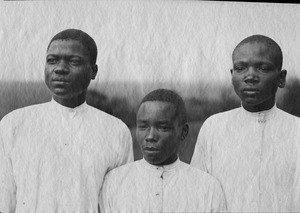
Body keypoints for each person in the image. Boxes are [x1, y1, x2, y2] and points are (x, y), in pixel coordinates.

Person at [0, 29, 133, 212]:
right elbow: (4, 199)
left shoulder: (116, 131)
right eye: (52, 60)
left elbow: (120, 205)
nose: (60, 68)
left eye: (74, 61)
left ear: (93, 71)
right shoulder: (13, 124)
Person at [191, 34, 300, 212]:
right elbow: (199, 196)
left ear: (281, 78)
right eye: (240, 68)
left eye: (263, 68)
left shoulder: (297, 130)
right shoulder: (214, 128)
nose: (250, 76)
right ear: (232, 75)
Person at [100, 89, 227, 213]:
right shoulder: (114, 182)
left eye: (162, 128)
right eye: (143, 127)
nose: (150, 136)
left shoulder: (208, 187)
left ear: (183, 132)